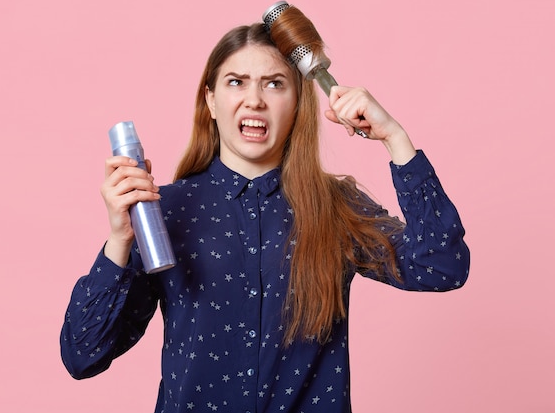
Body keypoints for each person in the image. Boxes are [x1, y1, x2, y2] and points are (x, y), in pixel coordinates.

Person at [60, 22, 470, 413]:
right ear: (211, 100)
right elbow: (83, 354)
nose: (254, 99)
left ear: (297, 103)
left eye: (274, 84)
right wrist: (119, 239)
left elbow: (442, 266)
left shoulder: (336, 206)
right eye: (236, 82)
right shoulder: (163, 212)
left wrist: (395, 138)